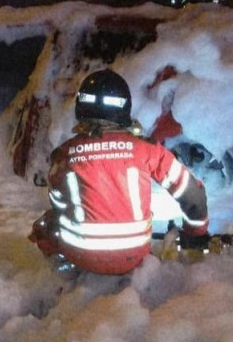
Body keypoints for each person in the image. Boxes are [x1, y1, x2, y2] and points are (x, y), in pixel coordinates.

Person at [29, 69, 211, 275]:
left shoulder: (64, 154)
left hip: (81, 257)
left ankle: (65, 275)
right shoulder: (147, 149)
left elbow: (59, 203)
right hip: (134, 257)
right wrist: (195, 236)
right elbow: (193, 195)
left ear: (81, 107)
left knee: (46, 223)